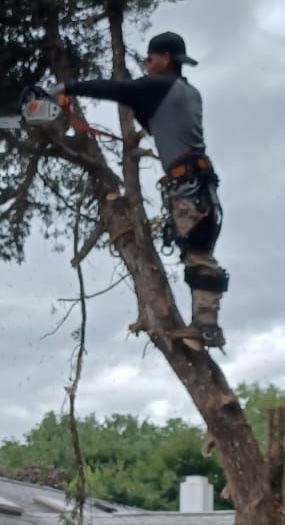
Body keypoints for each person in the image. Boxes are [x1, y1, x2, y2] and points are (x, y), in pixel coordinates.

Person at [60, 31, 228, 350]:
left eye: (151, 59)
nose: (148, 65)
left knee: (198, 255)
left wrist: (67, 87)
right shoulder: (187, 92)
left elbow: (116, 90)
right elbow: (155, 120)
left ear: (165, 59)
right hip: (200, 185)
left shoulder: (160, 86)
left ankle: (205, 328)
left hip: (189, 188)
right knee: (198, 252)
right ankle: (205, 325)